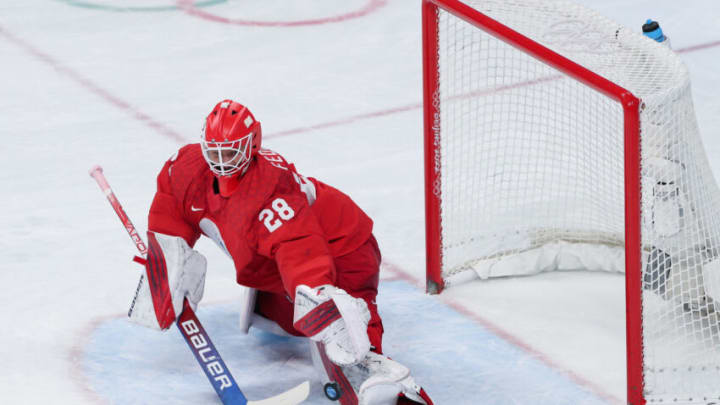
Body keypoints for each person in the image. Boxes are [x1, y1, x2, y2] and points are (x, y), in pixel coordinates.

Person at [128, 99, 433, 405]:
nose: (221, 160)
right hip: (275, 266)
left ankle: (382, 380)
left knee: (345, 349)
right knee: (286, 320)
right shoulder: (184, 168)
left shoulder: (270, 190)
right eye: (215, 150)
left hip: (344, 249)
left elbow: (299, 250)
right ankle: (289, 308)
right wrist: (165, 258)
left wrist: (321, 301)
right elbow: (171, 209)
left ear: (253, 144)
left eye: (231, 150)